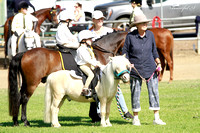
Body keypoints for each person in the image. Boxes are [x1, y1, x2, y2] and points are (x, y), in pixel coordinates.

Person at [122, 13, 166, 126]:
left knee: (154, 93)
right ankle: (135, 119)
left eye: (146, 22)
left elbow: (154, 50)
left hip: (151, 68)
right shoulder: (130, 36)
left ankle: (156, 118)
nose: (145, 24)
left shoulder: (150, 35)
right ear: (137, 25)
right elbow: (125, 52)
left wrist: (158, 62)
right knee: (135, 93)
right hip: (135, 69)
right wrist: (128, 63)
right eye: (142, 23)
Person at [90, 10, 133, 119]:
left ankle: (125, 111)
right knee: (100, 88)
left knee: (116, 86)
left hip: (111, 64)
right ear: (93, 20)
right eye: (98, 19)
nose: (100, 21)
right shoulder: (89, 33)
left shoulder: (109, 31)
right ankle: (99, 113)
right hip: (96, 65)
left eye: (102, 19)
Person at [75, 30, 101, 97]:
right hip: (83, 65)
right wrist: (95, 64)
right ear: (84, 40)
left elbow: (92, 58)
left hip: (88, 65)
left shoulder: (88, 49)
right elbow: (87, 59)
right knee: (91, 74)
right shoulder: (80, 49)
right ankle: (85, 89)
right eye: (89, 39)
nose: (91, 40)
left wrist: (97, 63)